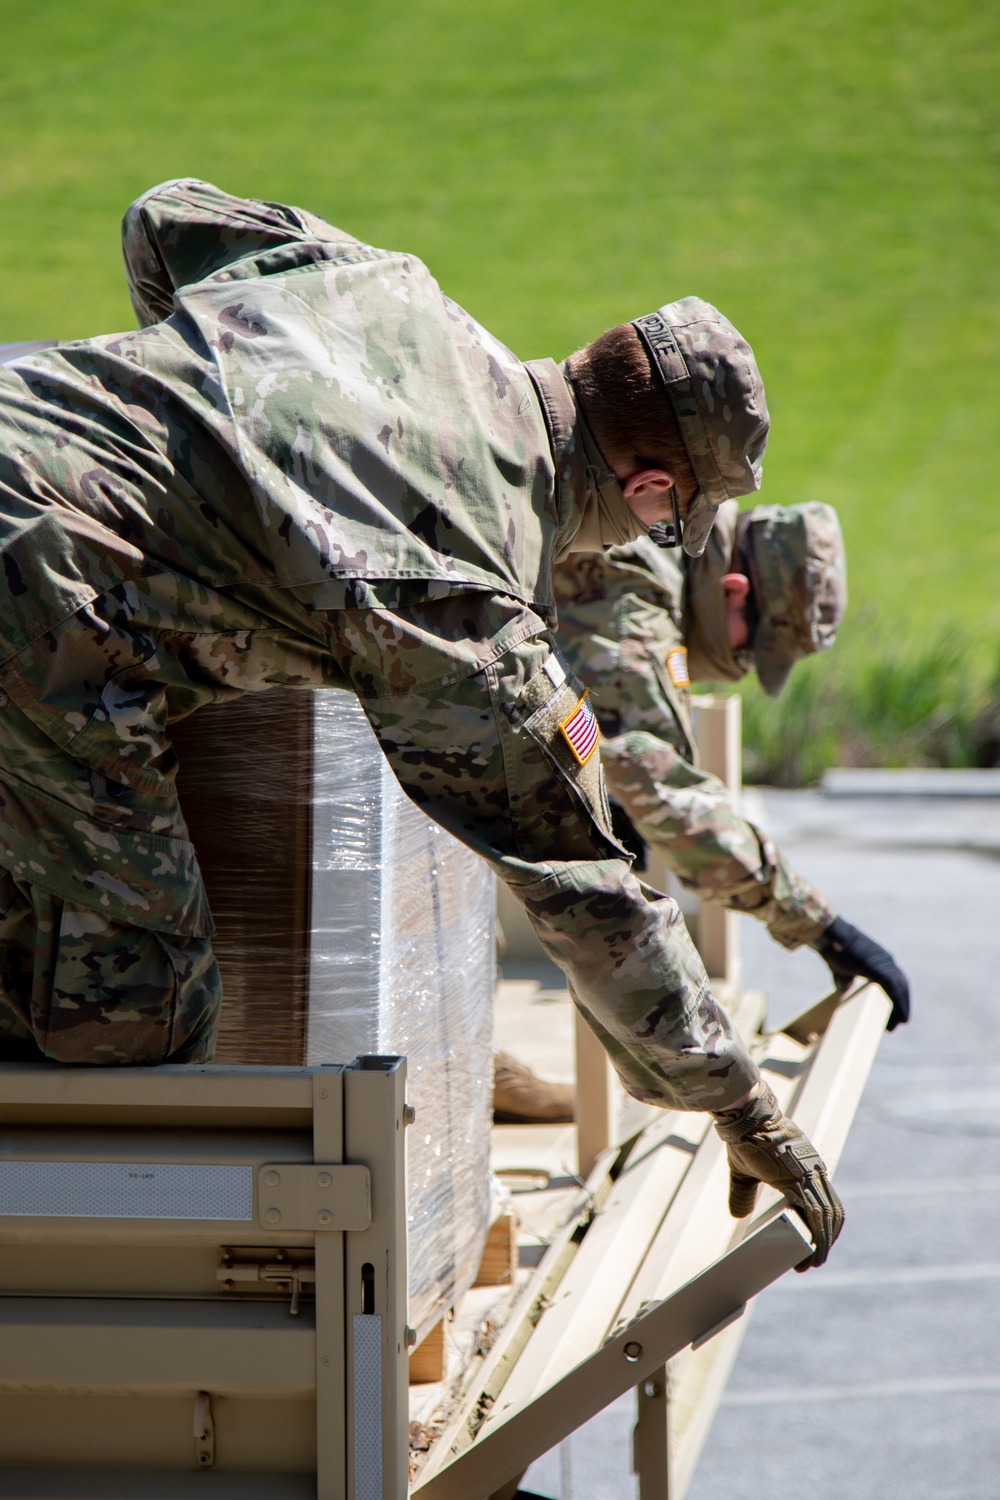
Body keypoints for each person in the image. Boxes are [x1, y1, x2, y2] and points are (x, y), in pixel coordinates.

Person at [0, 179, 841, 1264]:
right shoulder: (466, 600)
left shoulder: (391, 288)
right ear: (643, 490)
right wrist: (740, 1106)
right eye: (674, 523)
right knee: (136, 1009)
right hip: (37, 596)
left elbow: (164, 216)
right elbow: (587, 887)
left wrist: (201, 429)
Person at [552, 500, 911, 1030]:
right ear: (736, 589)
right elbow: (664, 793)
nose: (741, 666)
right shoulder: (636, 606)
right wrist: (825, 930)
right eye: (754, 647)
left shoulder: (660, 534)